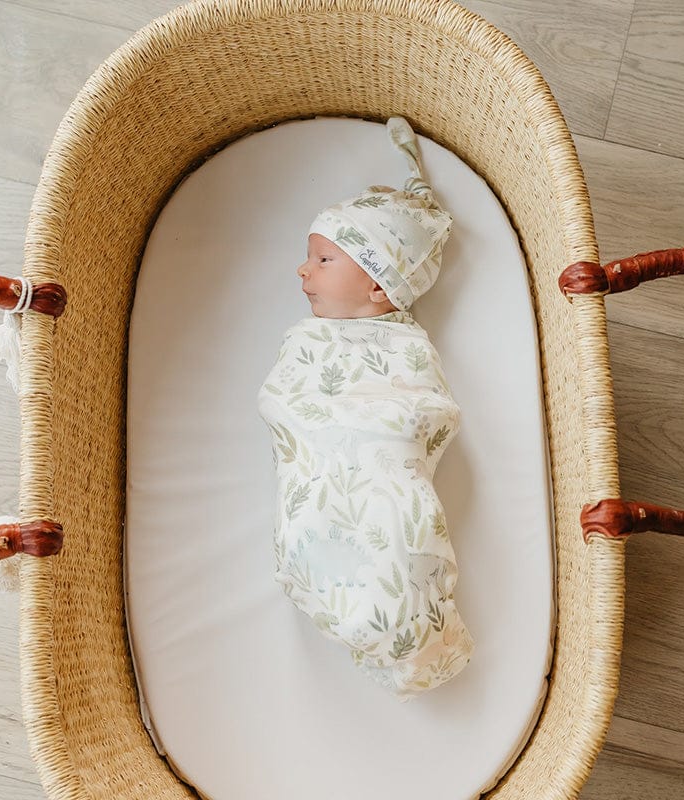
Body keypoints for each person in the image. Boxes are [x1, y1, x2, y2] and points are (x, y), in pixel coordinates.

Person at [256, 117, 473, 700]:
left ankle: (413, 625)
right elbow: (287, 403)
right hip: (317, 492)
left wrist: (383, 428)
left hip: (381, 476)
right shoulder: (307, 339)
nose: (303, 271)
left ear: (380, 286)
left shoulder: (405, 347)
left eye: (324, 260)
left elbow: (419, 413)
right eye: (310, 259)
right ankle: (378, 621)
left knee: (395, 532)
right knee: (329, 535)